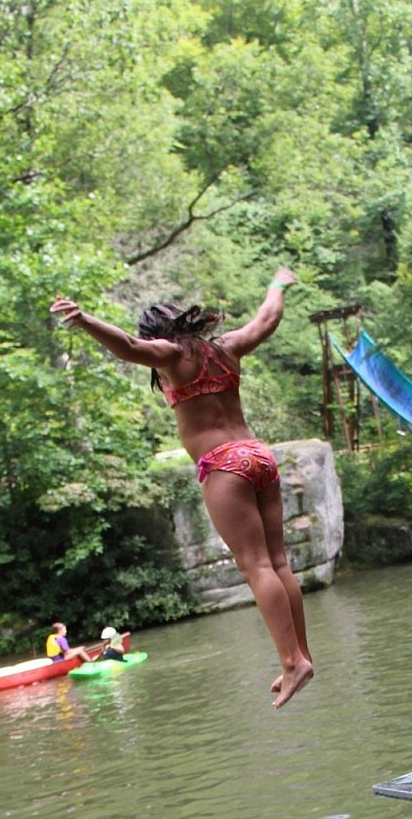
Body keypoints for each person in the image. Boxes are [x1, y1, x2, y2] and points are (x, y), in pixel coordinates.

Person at [50, 269, 313, 709]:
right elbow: (266, 320)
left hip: (225, 465)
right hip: (259, 455)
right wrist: (278, 284)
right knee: (279, 563)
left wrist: (86, 320)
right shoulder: (226, 348)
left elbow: (131, 348)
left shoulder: (170, 356)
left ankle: (291, 660)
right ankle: (300, 655)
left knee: (255, 567)